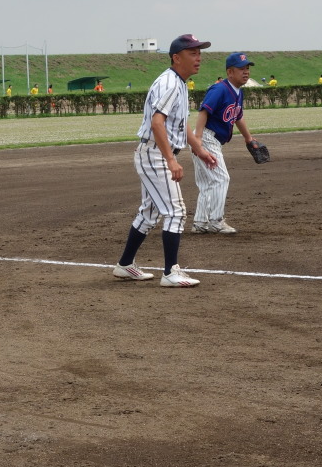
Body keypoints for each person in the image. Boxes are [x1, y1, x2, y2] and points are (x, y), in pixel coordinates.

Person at [111, 34, 218, 288]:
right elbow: (157, 123)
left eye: (199, 53)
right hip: (155, 153)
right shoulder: (170, 83)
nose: (198, 58)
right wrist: (171, 159)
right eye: (192, 53)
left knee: (150, 212)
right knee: (175, 211)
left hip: (154, 152)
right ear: (176, 58)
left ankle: (125, 265)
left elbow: (180, 124)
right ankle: (171, 272)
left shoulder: (178, 82)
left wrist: (200, 150)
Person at [192, 52, 260, 234]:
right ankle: (216, 221)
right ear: (230, 72)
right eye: (241, 68)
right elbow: (204, 111)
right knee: (221, 178)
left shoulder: (238, 92)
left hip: (210, 139)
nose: (246, 72)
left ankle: (200, 223)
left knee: (207, 183)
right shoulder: (219, 89)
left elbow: (238, 116)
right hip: (206, 137)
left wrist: (248, 138)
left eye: (247, 68)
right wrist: (197, 139)